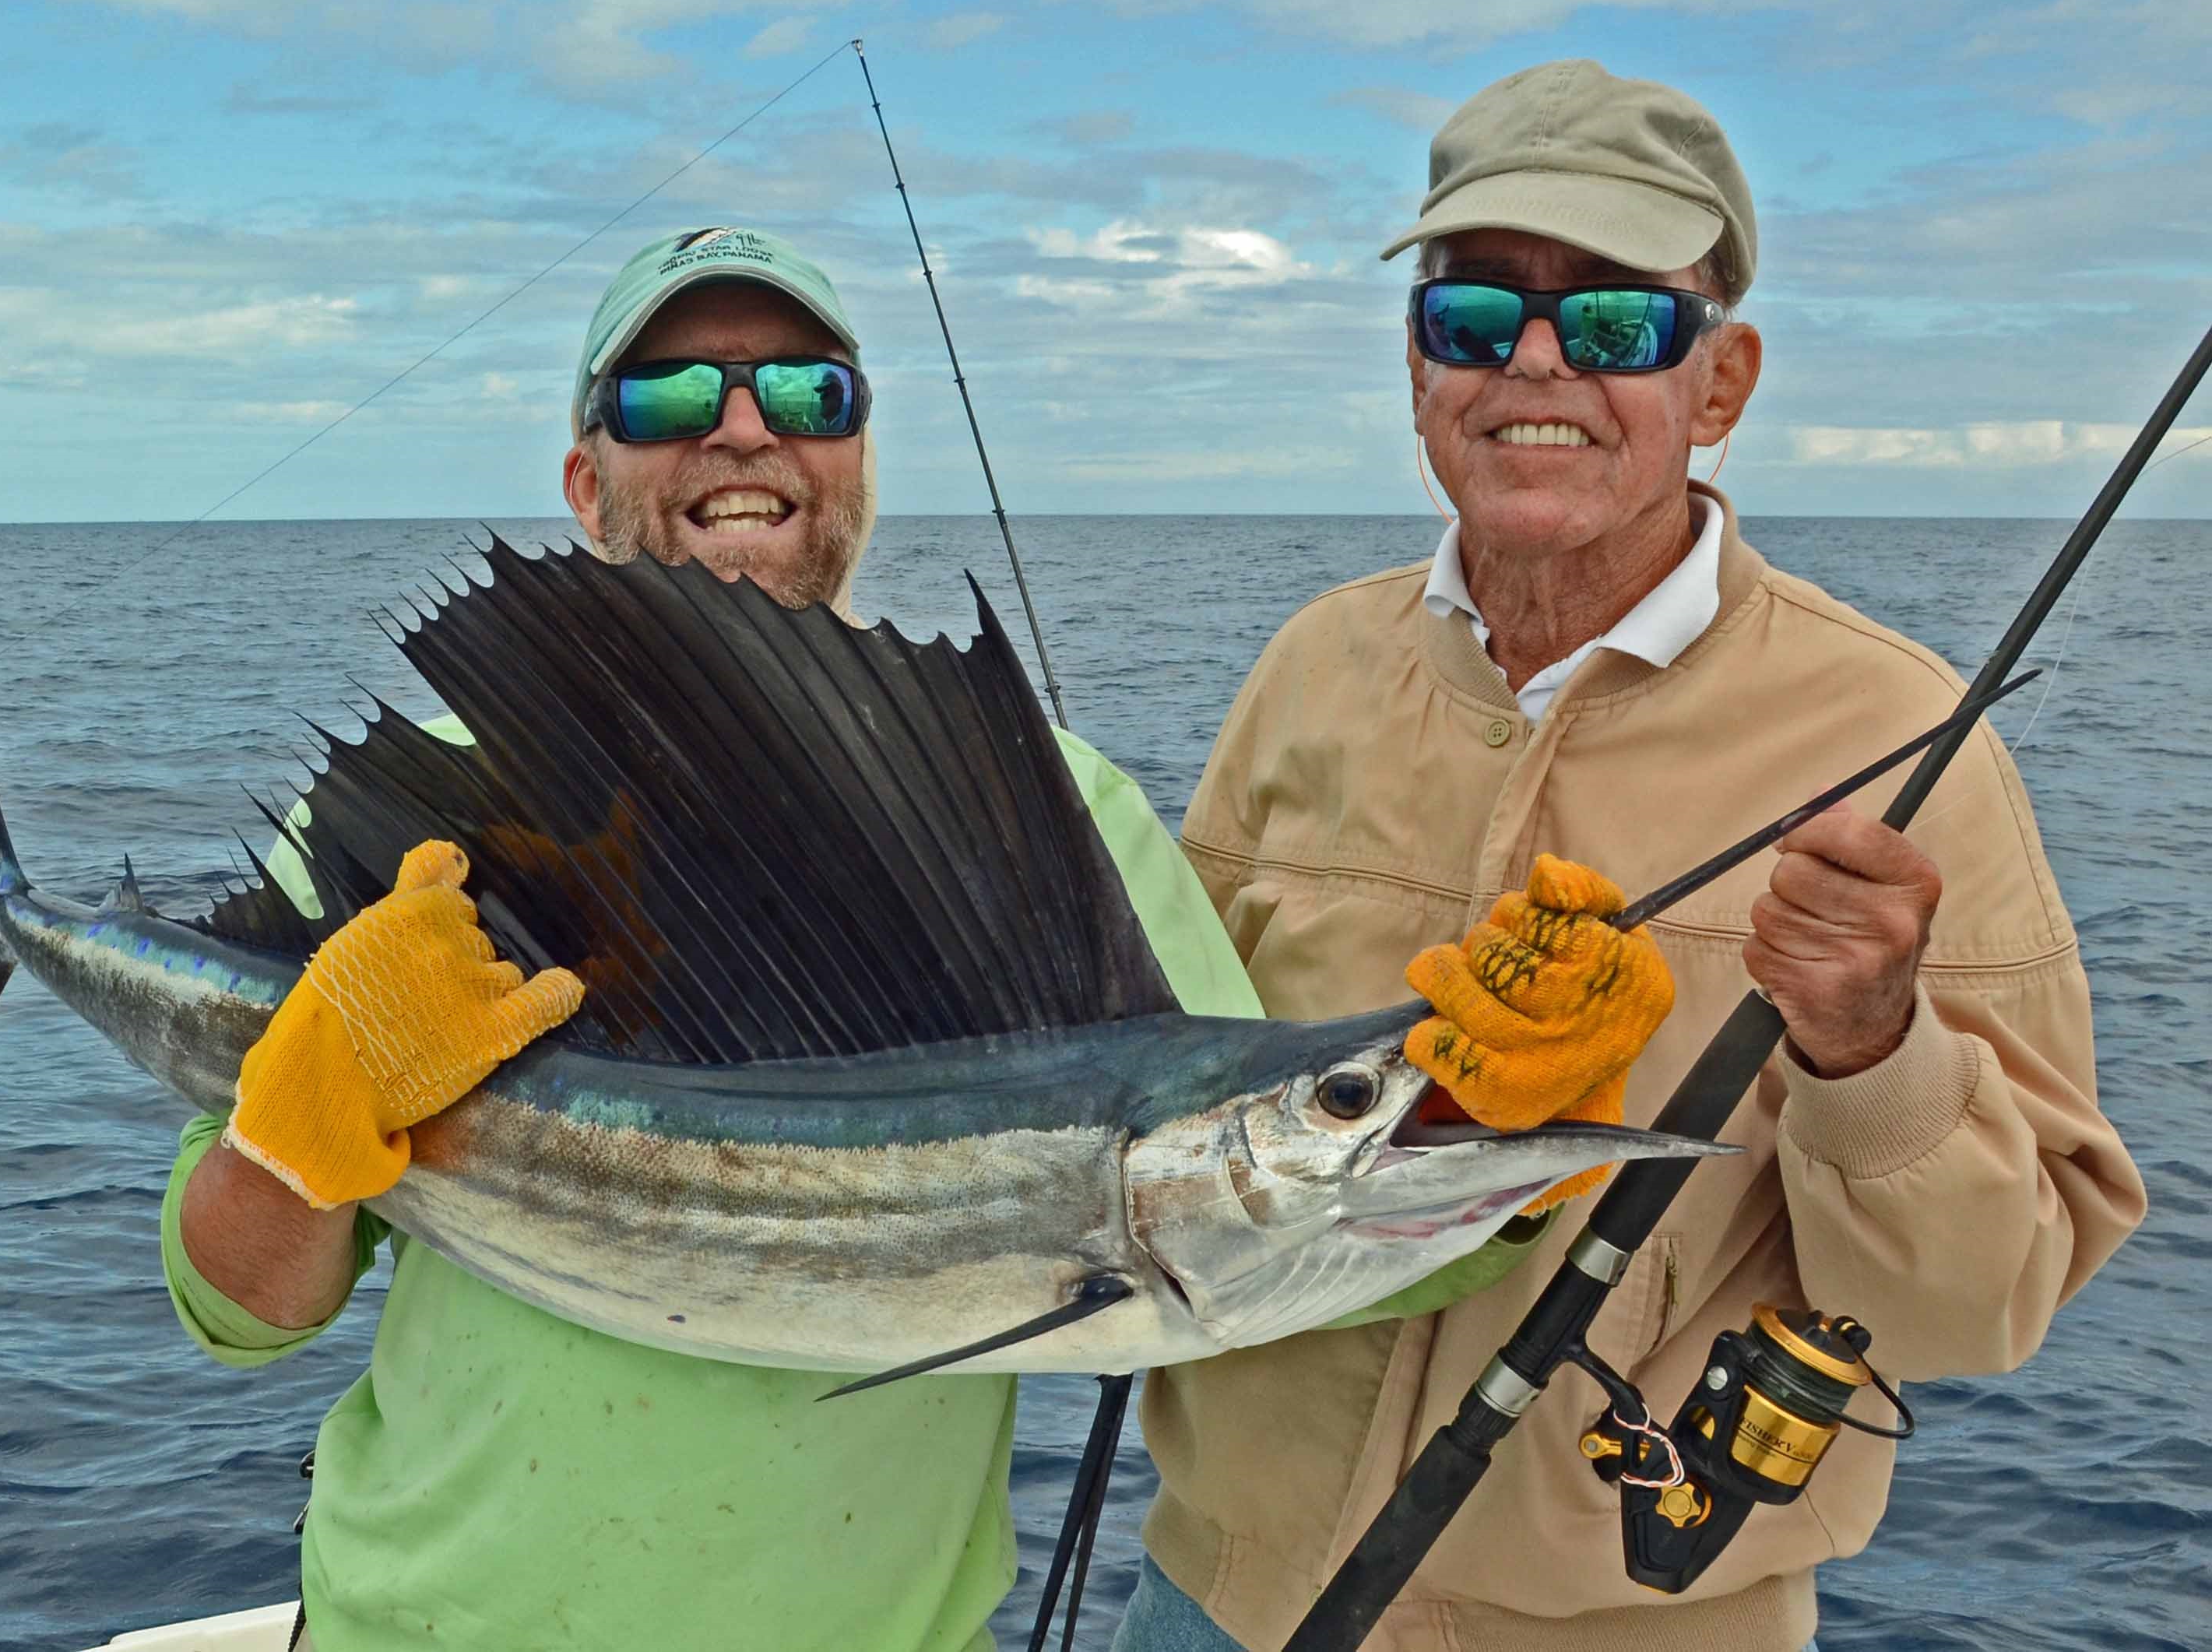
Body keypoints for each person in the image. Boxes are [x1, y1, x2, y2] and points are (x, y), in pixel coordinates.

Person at [160, 224, 1676, 1650]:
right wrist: (301, 1132)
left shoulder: (1061, 812)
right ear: (585, 475)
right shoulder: (434, 836)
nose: (744, 429)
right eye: (674, 389)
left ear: (856, 466)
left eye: (809, 393)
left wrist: (1498, 1112)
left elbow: (1277, 1234)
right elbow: (239, 1306)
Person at [1117, 60, 2148, 1652]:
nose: (1537, 365)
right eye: (1475, 318)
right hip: (1207, 1600)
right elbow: (1165, 1095)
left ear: (1720, 382)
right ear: (1415, 370)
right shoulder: (1308, 671)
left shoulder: (1904, 733)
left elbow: (1980, 1309)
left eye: (1612, 321)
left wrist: (1872, 1050)